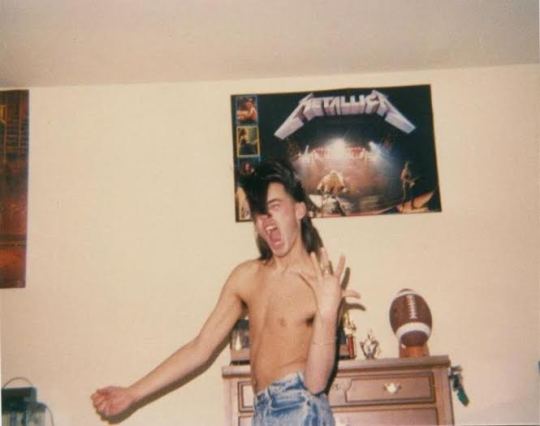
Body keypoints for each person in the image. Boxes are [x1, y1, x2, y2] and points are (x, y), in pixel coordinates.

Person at [91, 159, 360, 425]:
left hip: (301, 409)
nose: (266, 220)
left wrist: (327, 315)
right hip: (262, 412)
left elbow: (316, 384)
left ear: (299, 209)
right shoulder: (246, 277)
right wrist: (132, 393)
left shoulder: (322, 284)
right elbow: (200, 348)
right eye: (259, 213)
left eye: (275, 207)